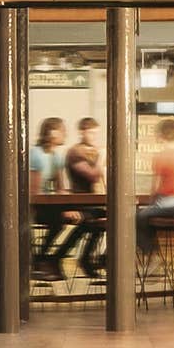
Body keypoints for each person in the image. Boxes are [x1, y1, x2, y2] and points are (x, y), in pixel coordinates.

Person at [135, 118, 174, 269]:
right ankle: (154, 256)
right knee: (146, 215)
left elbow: (156, 187)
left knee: (137, 216)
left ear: (160, 135)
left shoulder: (160, 156)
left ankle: (151, 254)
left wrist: (150, 200)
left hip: (166, 205)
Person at [29, 116, 79, 281]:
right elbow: (34, 193)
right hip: (32, 208)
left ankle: (47, 260)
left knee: (73, 218)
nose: (65, 134)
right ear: (51, 132)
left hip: (48, 204)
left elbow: (60, 188)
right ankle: (42, 260)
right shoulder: (36, 155)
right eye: (62, 130)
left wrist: (69, 205)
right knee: (59, 220)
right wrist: (65, 207)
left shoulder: (57, 157)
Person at [62, 117, 107, 277]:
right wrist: (101, 158)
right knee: (91, 221)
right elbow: (93, 175)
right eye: (91, 133)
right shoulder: (75, 152)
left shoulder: (92, 151)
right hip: (81, 201)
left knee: (113, 218)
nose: (95, 137)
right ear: (82, 132)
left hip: (94, 201)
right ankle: (64, 256)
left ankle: (99, 257)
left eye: (96, 134)